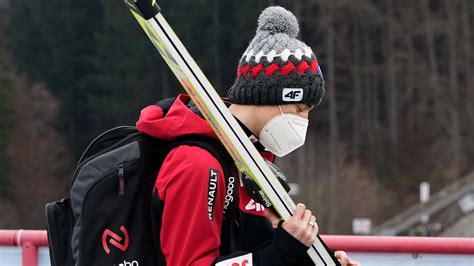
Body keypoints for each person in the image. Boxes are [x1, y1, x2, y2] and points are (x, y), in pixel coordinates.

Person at [136, 6, 361, 266]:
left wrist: (312, 260)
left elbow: (250, 250)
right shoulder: (198, 164)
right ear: (270, 96)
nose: (303, 122)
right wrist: (283, 251)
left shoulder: (252, 159)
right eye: (300, 109)